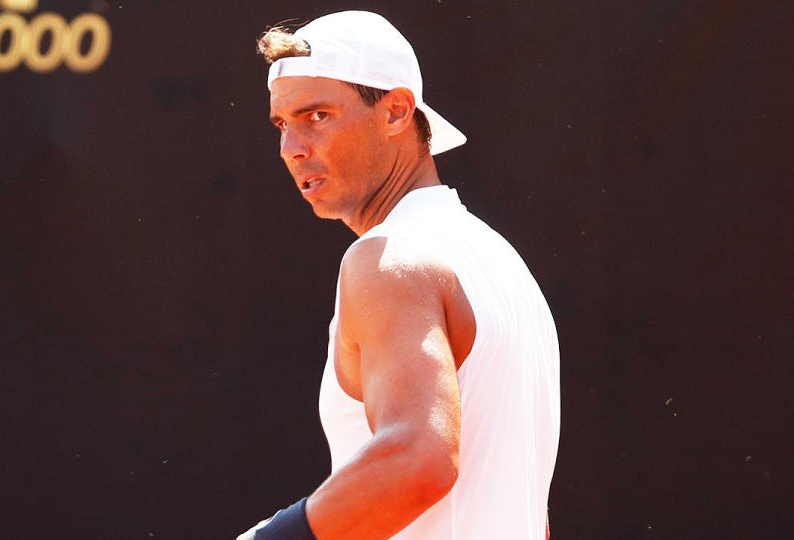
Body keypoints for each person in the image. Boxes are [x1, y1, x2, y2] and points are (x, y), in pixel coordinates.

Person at [240, 10, 560, 540]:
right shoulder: (502, 263)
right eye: (282, 123)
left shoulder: (388, 258)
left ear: (395, 111)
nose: (291, 147)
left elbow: (416, 459)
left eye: (317, 115)